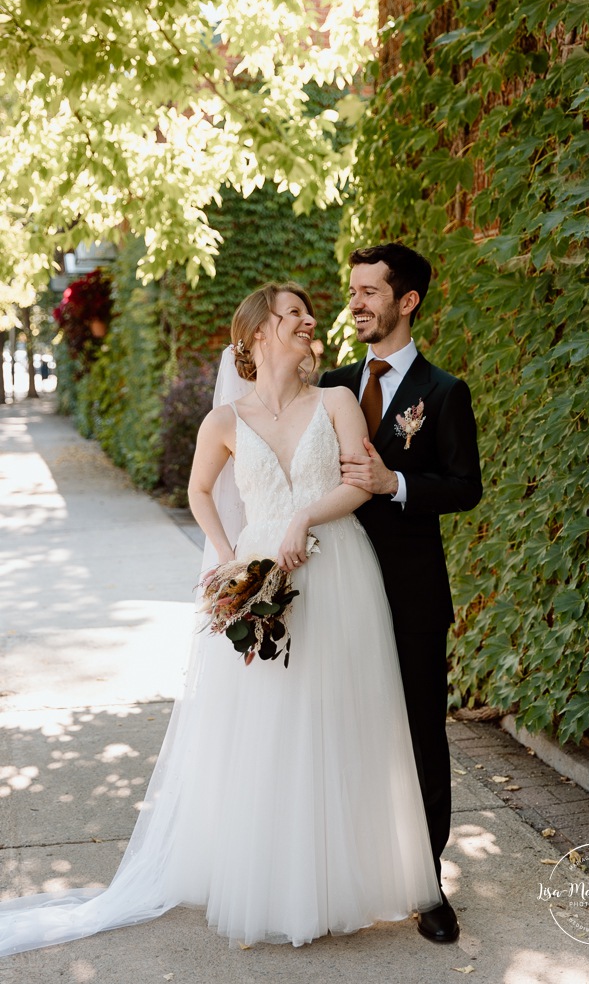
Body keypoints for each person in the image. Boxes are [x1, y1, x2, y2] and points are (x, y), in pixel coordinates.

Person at [0, 283, 440, 957]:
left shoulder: (337, 402)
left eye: (308, 316)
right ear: (259, 332)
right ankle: (277, 882)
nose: (308, 322)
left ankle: (339, 881)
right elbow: (198, 489)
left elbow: (357, 481)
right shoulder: (224, 423)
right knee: (268, 722)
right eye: (293, 315)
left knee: (338, 718)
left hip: (339, 569)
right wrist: (230, 557)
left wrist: (302, 516)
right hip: (263, 571)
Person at [320, 243, 482, 943]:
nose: (354, 302)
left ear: (405, 300)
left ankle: (427, 883)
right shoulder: (328, 385)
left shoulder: (443, 393)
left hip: (410, 594)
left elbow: (464, 486)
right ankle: (342, 870)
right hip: (329, 589)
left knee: (419, 736)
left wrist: (398, 484)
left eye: (368, 292)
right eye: (351, 290)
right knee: (333, 731)